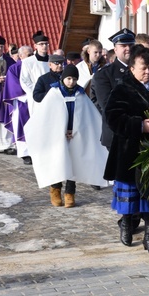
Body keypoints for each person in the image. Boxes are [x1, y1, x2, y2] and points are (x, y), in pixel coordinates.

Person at [104, 44, 149, 254]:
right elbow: (113, 117)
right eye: (143, 68)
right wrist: (139, 125)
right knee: (131, 196)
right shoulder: (123, 88)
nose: (148, 72)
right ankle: (126, 223)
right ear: (132, 68)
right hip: (129, 151)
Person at [24, 64, 108, 208]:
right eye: (68, 78)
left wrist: (76, 130)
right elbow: (47, 115)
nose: (71, 82)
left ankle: (70, 193)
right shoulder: (54, 93)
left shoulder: (80, 94)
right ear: (63, 78)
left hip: (75, 136)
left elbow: (87, 117)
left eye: (74, 79)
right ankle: (55, 189)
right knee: (58, 162)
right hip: (57, 135)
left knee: (73, 163)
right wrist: (59, 131)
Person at [92, 30, 134, 149]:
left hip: (141, 134)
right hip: (116, 134)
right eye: (123, 46)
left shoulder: (143, 70)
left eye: (131, 45)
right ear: (115, 49)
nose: (128, 48)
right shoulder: (104, 75)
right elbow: (107, 105)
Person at [2, 45, 33, 164]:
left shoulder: (34, 66)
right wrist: (29, 95)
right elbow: (14, 86)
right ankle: (25, 153)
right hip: (22, 102)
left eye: (32, 54)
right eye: (28, 55)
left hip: (35, 100)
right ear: (20, 56)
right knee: (22, 126)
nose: (31, 57)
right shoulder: (14, 68)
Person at [19, 30, 51, 117]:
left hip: (51, 95)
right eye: (41, 44)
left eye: (46, 44)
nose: (44, 46)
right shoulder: (28, 62)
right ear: (35, 46)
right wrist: (38, 91)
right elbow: (24, 81)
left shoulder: (52, 60)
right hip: (36, 96)